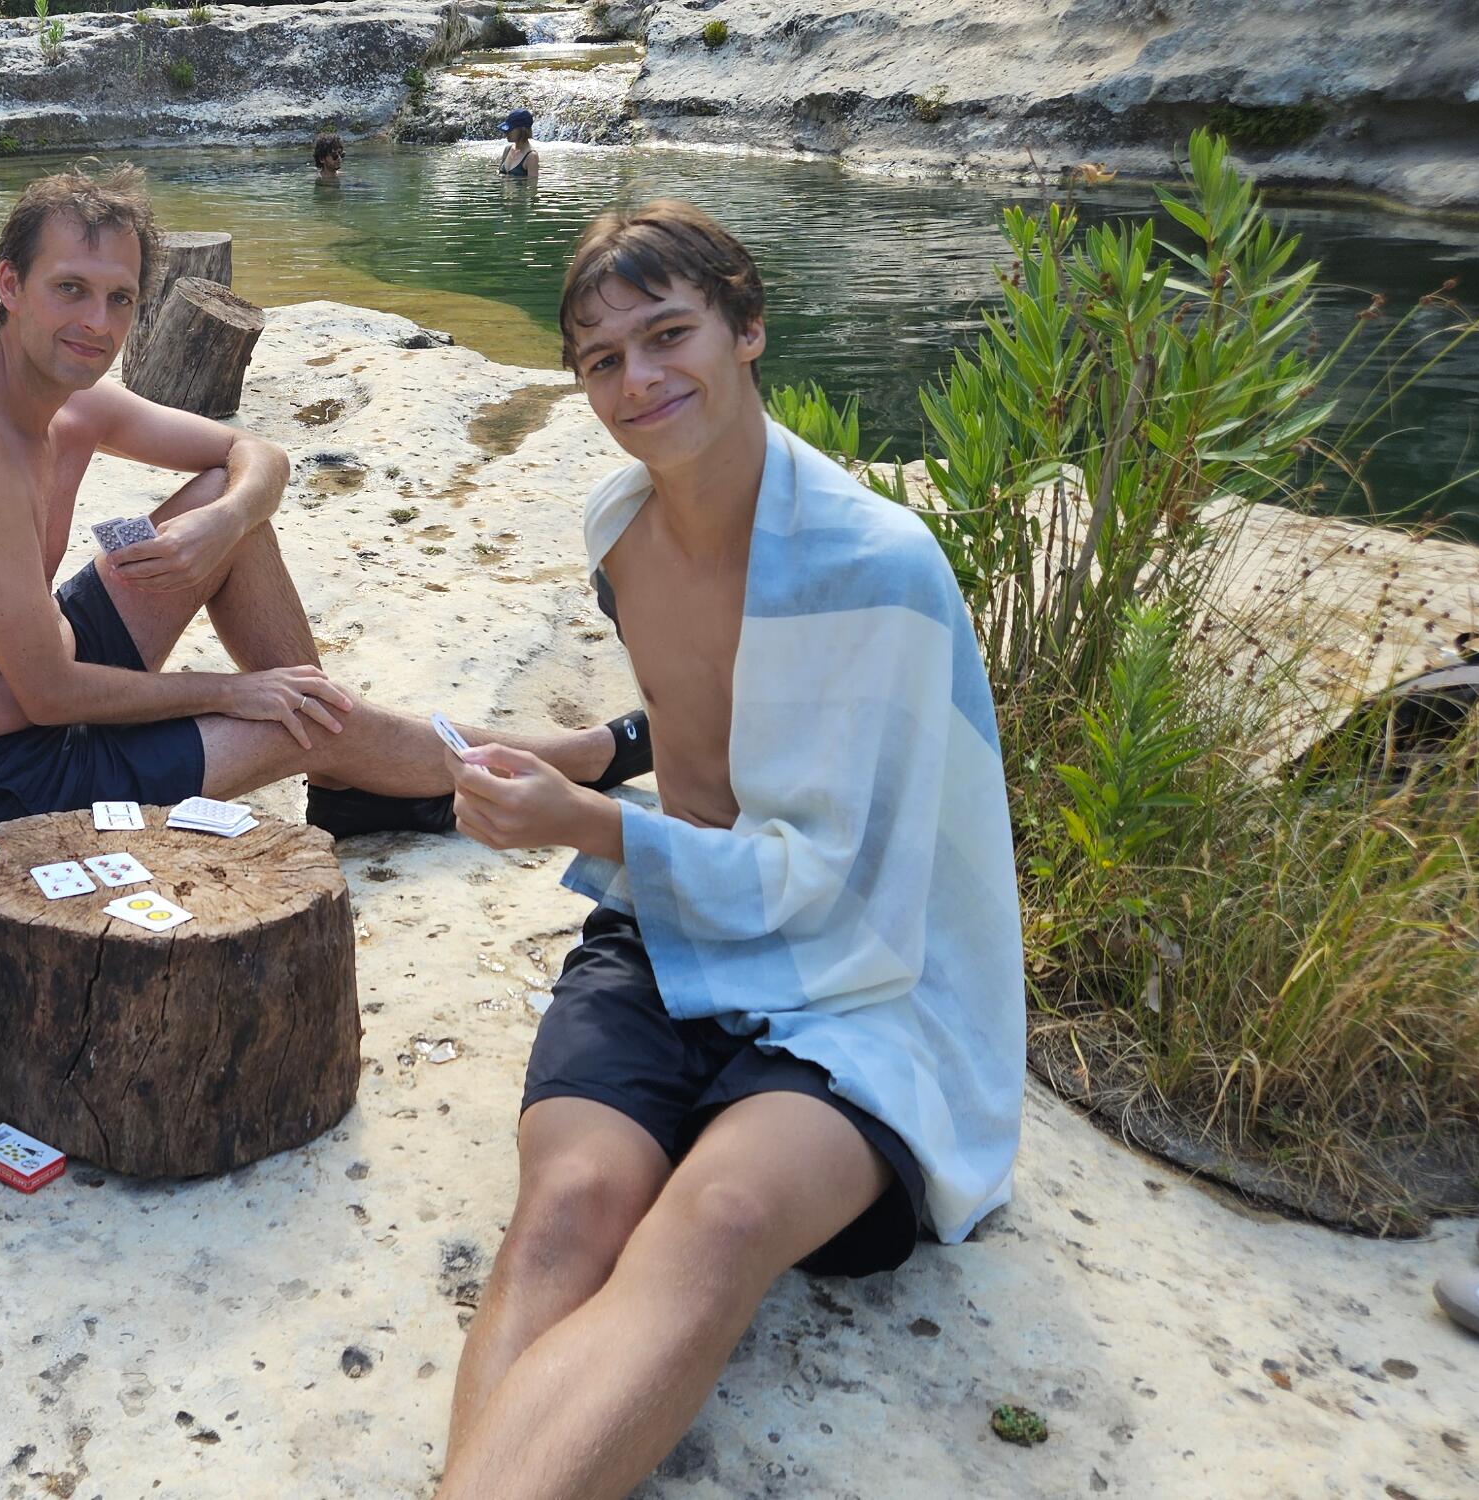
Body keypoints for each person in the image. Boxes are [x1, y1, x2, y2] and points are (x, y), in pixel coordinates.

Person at [433, 202, 1024, 1499]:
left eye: (669, 335)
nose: (639, 379)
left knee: (719, 1220)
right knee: (568, 1213)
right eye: (603, 359)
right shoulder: (618, 530)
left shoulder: (875, 562)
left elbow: (838, 882)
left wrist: (586, 820)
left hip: (867, 976)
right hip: (674, 921)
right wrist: (586, 772)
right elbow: (717, 728)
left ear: (747, 327)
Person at [0, 163, 643, 857]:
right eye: (71, 289)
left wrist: (224, 522)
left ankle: (344, 769)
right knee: (290, 712)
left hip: (47, 687)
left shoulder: (75, 406)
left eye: (119, 298)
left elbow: (258, 454)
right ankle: (575, 759)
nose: (97, 322)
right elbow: (49, 695)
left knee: (225, 504)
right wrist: (234, 691)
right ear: (9, 286)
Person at [495, 108, 539, 179]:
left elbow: (532, 184)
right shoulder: (507, 149)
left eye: (510, 129)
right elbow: (499, 173)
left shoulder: (531, 156)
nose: (506, 133)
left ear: (522, 130)